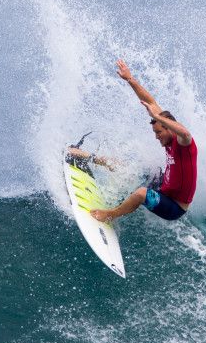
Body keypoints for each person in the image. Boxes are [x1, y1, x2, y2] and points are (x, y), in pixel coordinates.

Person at [81, 60, 197, 223]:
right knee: (131, 169)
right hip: (164, 185)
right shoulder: (168, 139)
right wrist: (130, 79)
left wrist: (156, 117)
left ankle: (109, 215)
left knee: (142, 193)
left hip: (174, 207)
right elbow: (150, 103)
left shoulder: (184, 144)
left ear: (169, 128)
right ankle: (86, 157)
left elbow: (185, 133)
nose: (156, 137)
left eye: (158, 132)